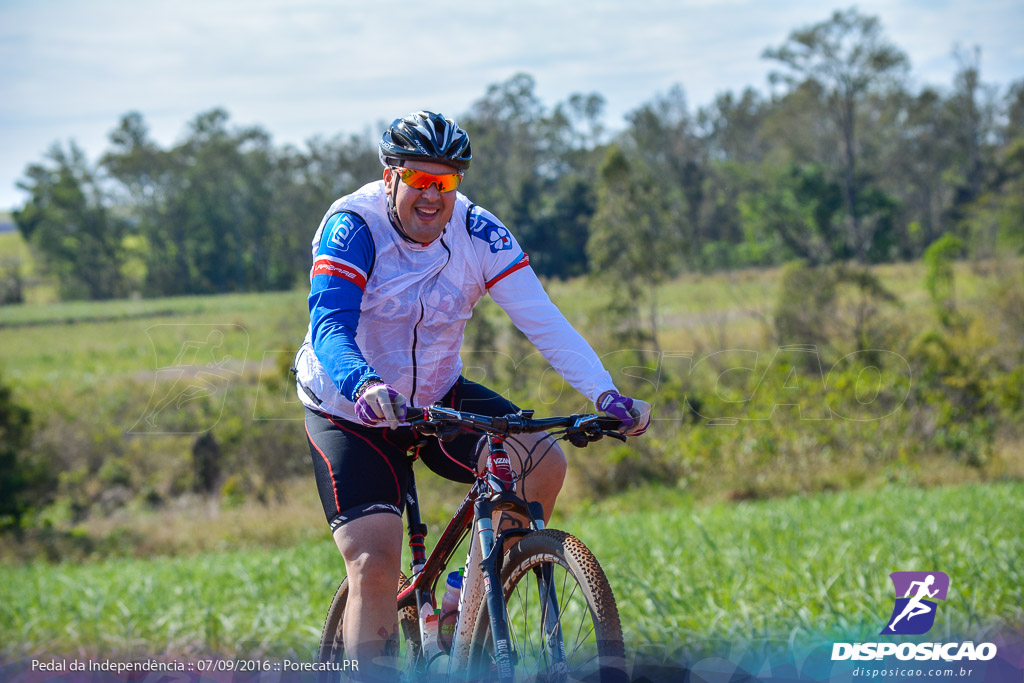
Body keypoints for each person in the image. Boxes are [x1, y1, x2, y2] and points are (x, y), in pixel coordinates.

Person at [294, 111, 651, 678]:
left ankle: (472, 602)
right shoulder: (353, 226)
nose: (433, 196)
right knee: (375, 561)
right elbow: (330, 327)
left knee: (540, 460)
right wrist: (363, 384)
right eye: (420, 180)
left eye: (447, 182)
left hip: (436, 396)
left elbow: (545, 322)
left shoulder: (478, 232)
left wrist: (606, 394)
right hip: (349, 409)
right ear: (391, 178)